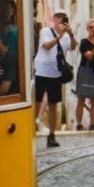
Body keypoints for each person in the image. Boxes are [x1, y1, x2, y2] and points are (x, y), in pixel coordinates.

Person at [34, 10, 74, 148]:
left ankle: (51, 135)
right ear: (54, 19)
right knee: (36, 101)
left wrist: (71, 34)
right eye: (60, 18)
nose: (62, 21)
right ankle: (30, 130)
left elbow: (73, 47)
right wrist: (60, 36)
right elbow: (46, 46)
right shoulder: (45, 31)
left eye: (64, 18)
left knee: (53, 105)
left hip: (56, 74)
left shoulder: (67, 36)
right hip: (41, 71)